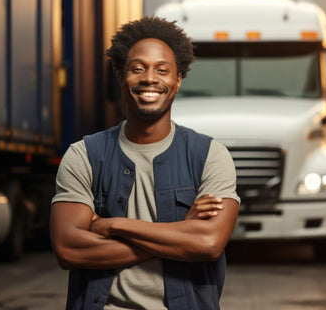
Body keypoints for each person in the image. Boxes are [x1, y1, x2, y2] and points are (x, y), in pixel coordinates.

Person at [50, 16, 240, 310]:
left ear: (177, 80)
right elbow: (68, 249)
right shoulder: (84, 155)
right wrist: (180, 233)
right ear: (120, 76)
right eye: (137, 69)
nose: (150, 78)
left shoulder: (210, 155)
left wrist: (113, 225)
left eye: (162, 70)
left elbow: (209, 243)